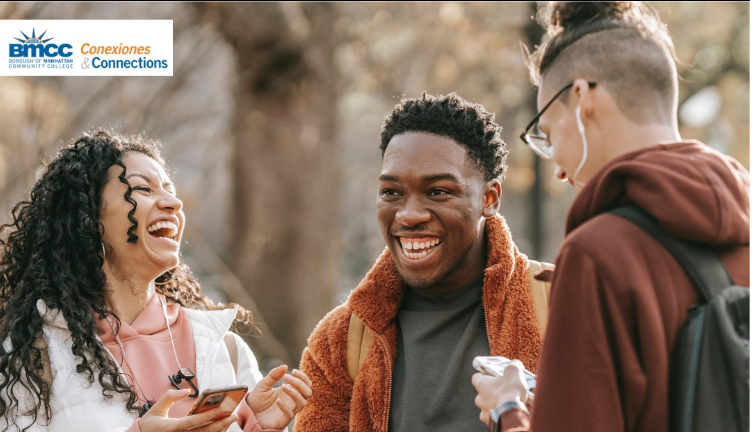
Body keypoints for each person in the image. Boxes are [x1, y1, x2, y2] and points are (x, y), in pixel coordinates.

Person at [472, 2, 750, 431]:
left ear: (582, 97)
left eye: (547, 133)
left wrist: (508, 409)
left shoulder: (599, 254)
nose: (559, 168)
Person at [0, 130, 313, 432]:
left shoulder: (223, 348)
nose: (174, 204)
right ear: (88, 219)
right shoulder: (34, 354)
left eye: (170, 191)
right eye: (143, 189)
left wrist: (259, 426)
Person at [295, 92, 553, 432]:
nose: (409, 214)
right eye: (391, 192)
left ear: (489, 198)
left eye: (438, 192)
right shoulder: (341, 340)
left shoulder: (560, 304)